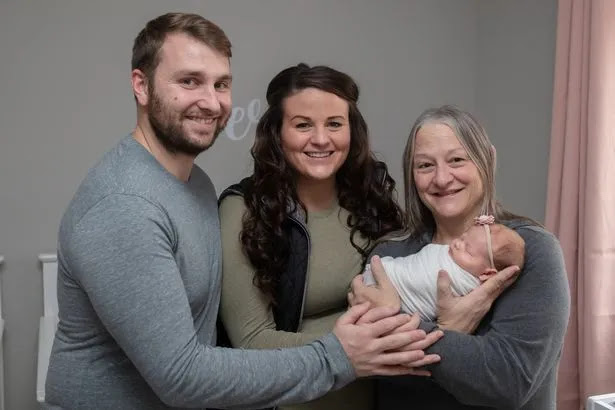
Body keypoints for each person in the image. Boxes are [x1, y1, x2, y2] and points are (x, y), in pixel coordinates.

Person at [44, 13, 443, 409]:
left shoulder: (192, 183)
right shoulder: (124, 207)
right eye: (189, 81)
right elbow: (182, 377)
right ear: (141, 86)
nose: (210, 101)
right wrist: (339, 355)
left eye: (221, 84)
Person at [218, 63, 443, 410]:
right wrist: (363, 344)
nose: (321, 139)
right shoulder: (244, 210)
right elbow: (251, 341)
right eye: (303, 125)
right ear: (277, 133)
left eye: (334, 124)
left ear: (352, 130)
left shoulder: (372, 200)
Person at [350, 105, 570, 409]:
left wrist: (401, 324)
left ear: (487, 159)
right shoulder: (391, 254)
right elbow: (368, 364)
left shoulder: (531, 250)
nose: (441, 178)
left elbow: (508, 382)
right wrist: (451, 334)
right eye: (425, 165)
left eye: (456, 160)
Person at [362, 217, 526, 321]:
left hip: (396, 298)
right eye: (462, 237)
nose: (456, 244)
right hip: (379, 278)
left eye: (467, 250)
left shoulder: (467, 283)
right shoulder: (391, 245)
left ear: (487, 274)